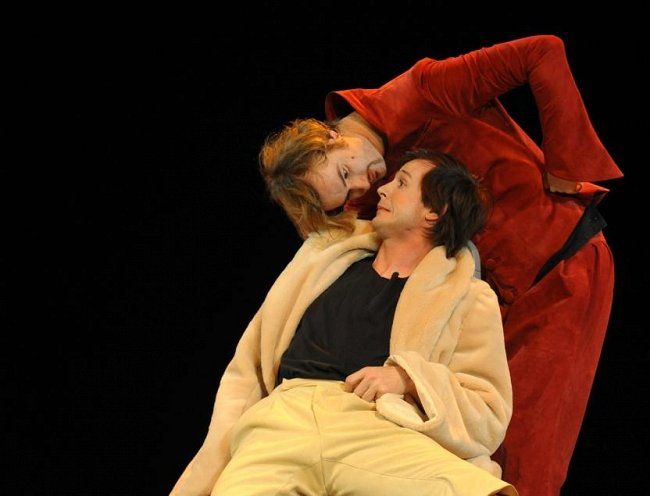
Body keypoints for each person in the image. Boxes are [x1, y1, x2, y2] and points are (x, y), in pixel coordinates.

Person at [259, 35, 623, 495]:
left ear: (329, 136)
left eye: (345, 173)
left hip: (559, 269)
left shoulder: (421, 91)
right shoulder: (371, 191)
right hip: (478, 295)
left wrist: (568, 164)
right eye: (346, 193)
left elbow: (542, 51)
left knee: (527, 456)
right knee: (458, 451)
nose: (363, 188)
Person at [171, 150, 518, 496]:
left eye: (402, 183)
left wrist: (409, 379)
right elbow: (248, 366)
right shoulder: (324, 256)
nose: (383, 189)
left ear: (434, 212)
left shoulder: (468, 297)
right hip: (283, 419)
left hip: (375, 428)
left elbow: (487, 412)